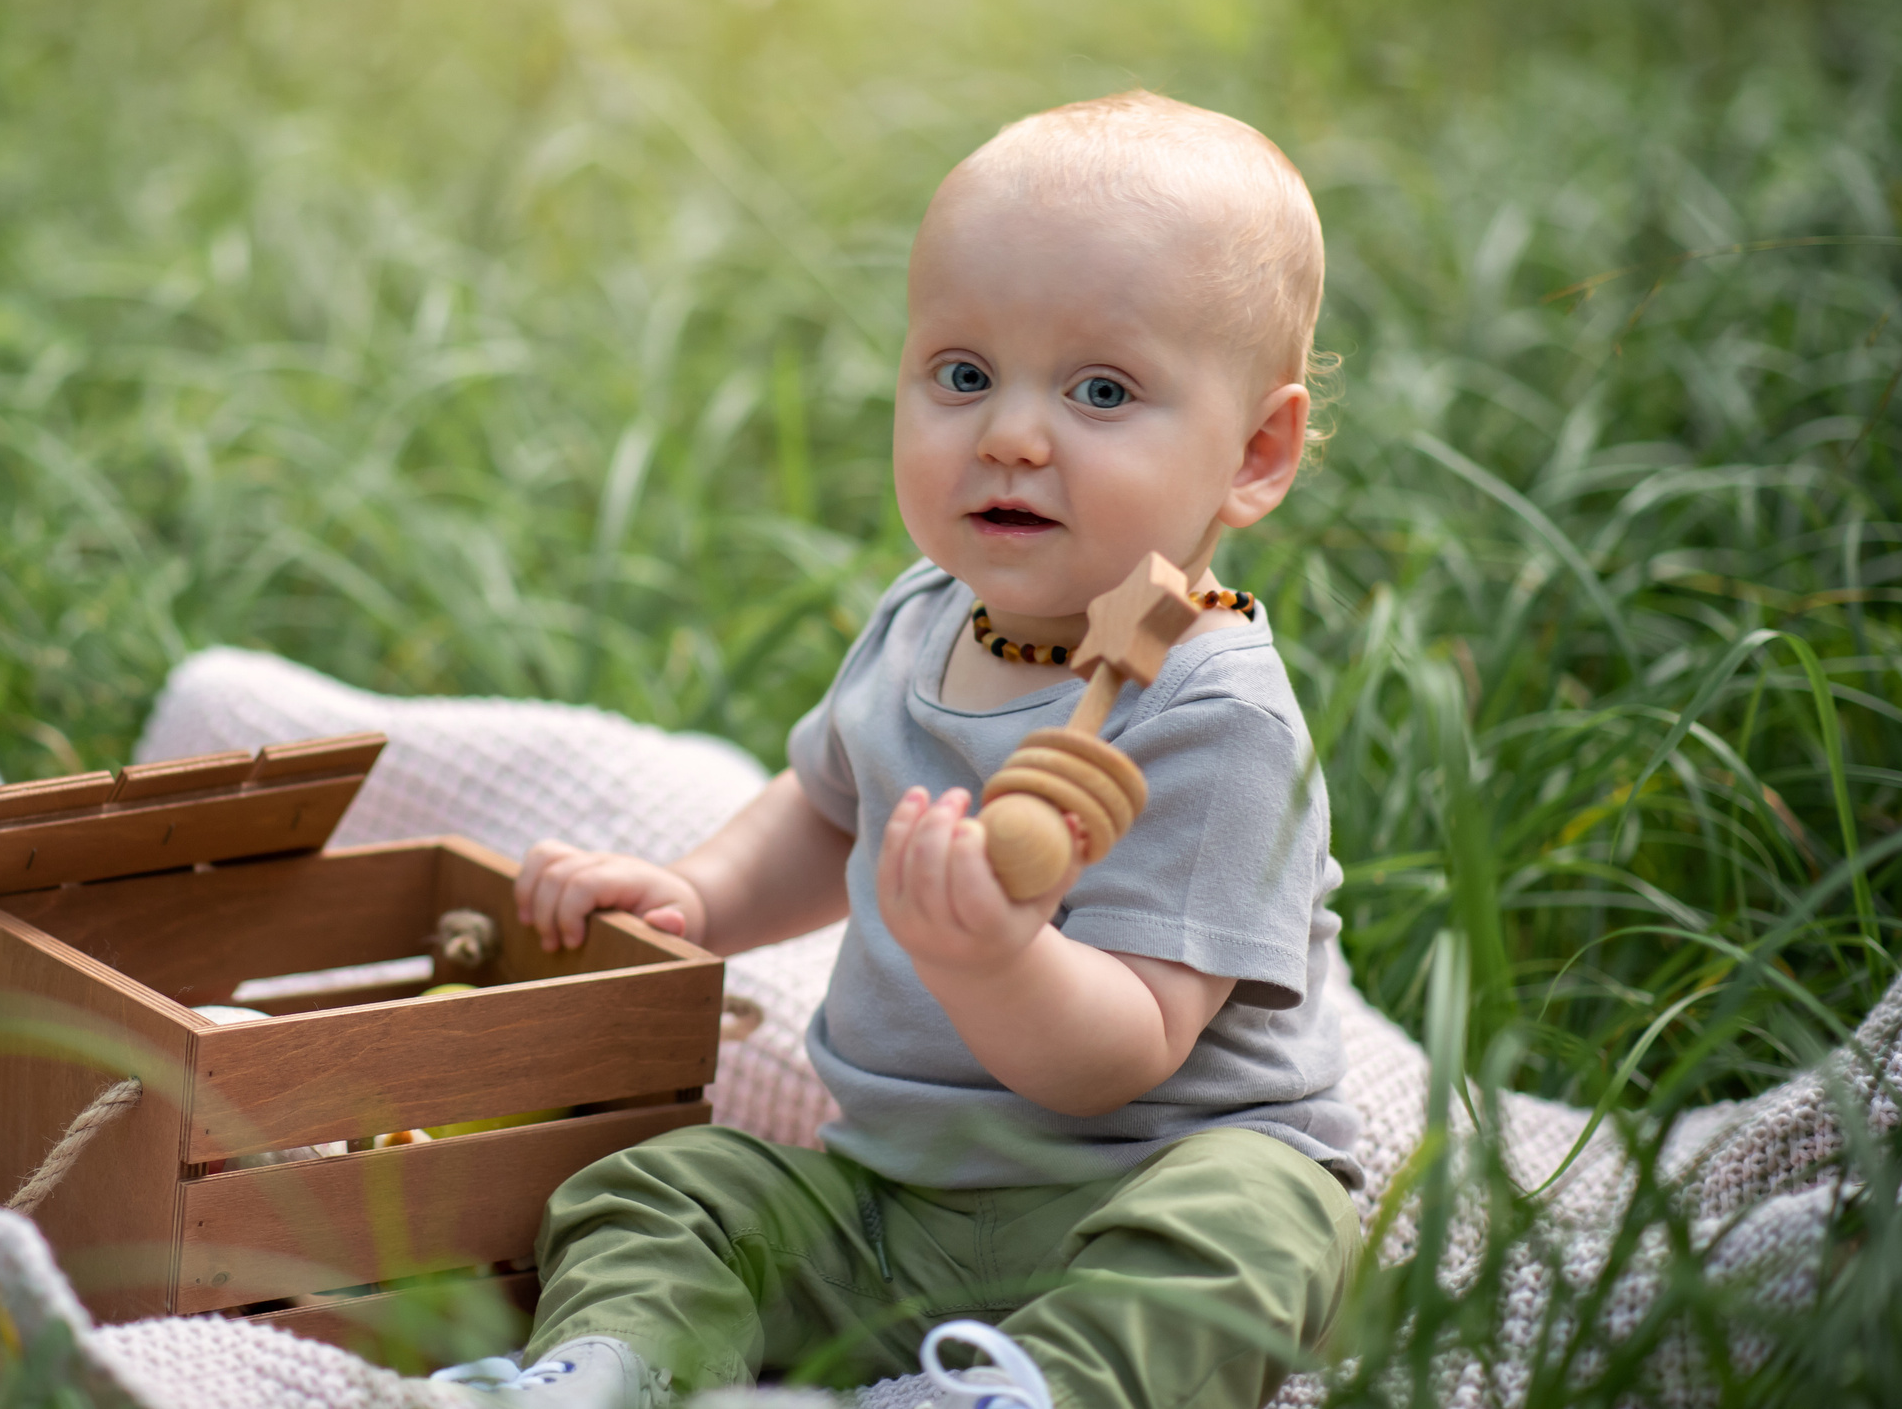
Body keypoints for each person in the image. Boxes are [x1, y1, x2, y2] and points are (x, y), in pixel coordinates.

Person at [448, 91, 1361, 1409]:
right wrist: (700, 894)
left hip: (1134, 1186)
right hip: (897, 1201)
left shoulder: (1215, 712)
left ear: (1256, 453)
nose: (1009, 432)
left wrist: (997, 959)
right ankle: (608, 1373)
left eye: (1102, 388)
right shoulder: (924, 618)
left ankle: (1035, 1388)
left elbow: (1135, 1046)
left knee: (1257, 1229)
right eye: (963, 373)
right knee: (663, 1185)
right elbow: (827, 805)